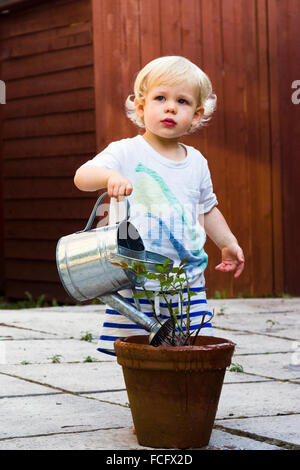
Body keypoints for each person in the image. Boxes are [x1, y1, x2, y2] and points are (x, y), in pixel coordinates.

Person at [74, 56, 245, 356]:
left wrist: (227, 242)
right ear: (141, 107)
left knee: (191, 350)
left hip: (186, 282)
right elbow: (82, 177)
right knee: (138, 354)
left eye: (182, 101)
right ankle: (149, 399)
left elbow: (207, 209)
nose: (170, 107)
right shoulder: (126, 152)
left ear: (196, 114)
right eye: (160, 98)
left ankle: (181, 399)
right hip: (135, 282)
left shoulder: (196, 163)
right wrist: (109, 175)